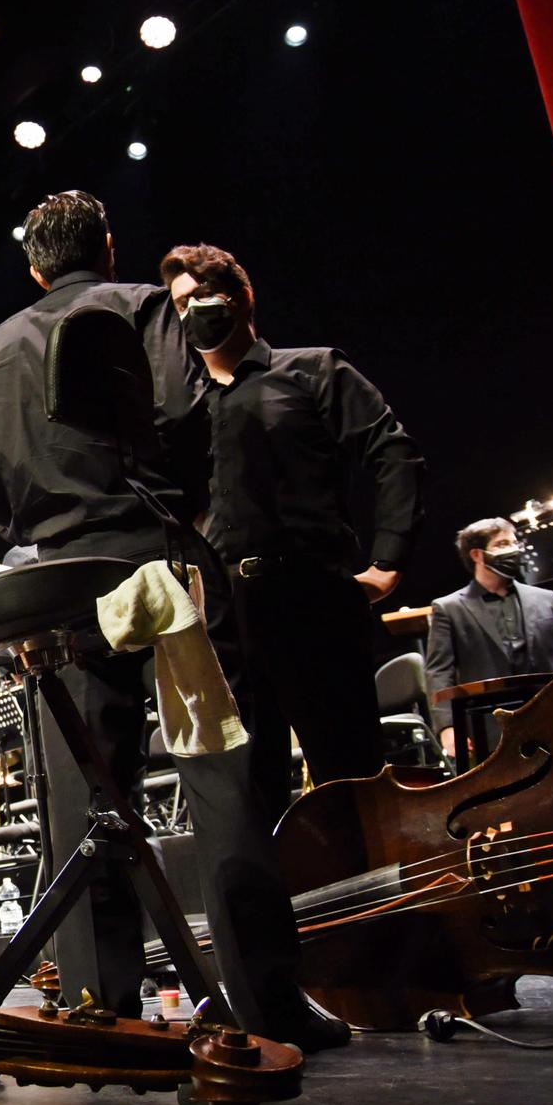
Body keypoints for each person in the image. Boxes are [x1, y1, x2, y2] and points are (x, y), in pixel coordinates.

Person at [0, 191, 345, 1050]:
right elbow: (195, 421)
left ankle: (103, 1009)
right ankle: (267, 1005)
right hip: (160, 561)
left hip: (59, 581)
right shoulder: (146, 306)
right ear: (110, 248)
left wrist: (32, 519)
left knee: (89, 798)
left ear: (34, 266)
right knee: (222, 777)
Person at [159, 243, 424, 812]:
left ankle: (377, 894)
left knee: (348, 771)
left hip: (312, 595)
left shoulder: (312, 369)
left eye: (201, 297)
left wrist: (387, 562)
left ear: (238, 298)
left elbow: (392, 453)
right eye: (178, 305)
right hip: (226, 613)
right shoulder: (183, 412)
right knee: (249, 786)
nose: (190, 313)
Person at [425, 517, 553, 758]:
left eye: (514, 542)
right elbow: (439, 672)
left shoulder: (545, 598)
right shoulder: (449, 608)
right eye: (501, 544)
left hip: (552, 721)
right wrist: (447, 727)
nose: (512, 549)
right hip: (489, 730)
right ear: (477, 555)